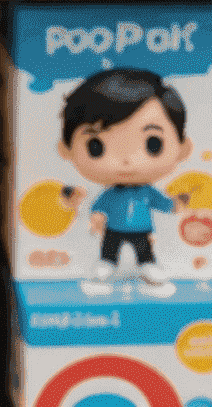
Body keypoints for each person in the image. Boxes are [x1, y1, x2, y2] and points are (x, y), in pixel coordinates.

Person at [58, 67, 192, 295]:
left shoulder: (147, 192)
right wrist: (96, 216)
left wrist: (176, 205)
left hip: (141, 229)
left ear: (182, 149)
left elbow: (163, 203)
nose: (126, 161)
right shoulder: (111, 193)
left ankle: (148, 266)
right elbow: (99, 207)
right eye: (96, 146)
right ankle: (106, 264)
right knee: (109, 249)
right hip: (114, 228)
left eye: (153, 144)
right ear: (66, 149)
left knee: (144, 251)